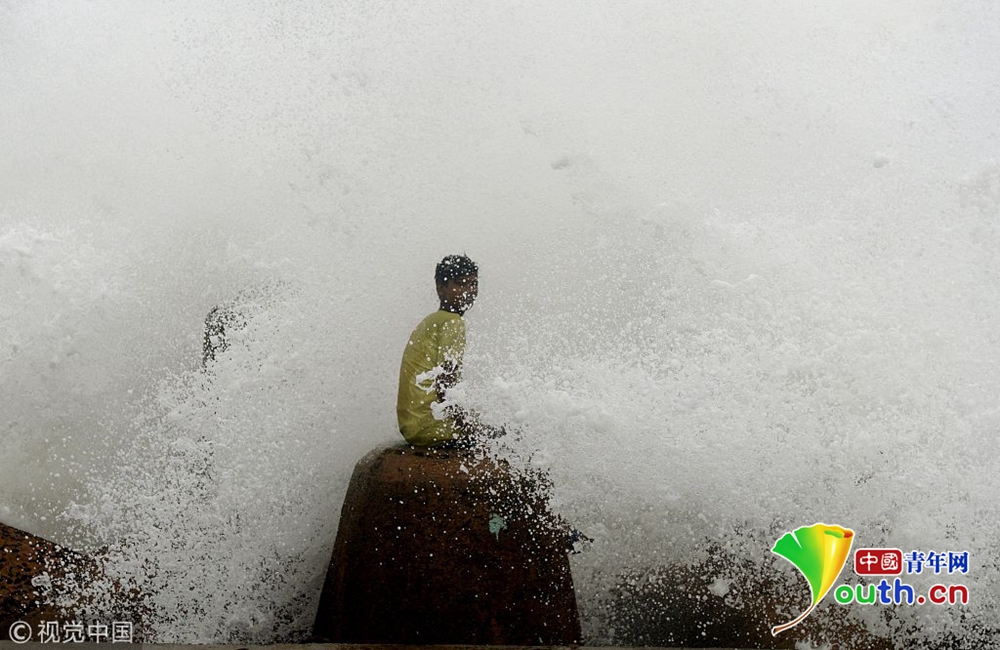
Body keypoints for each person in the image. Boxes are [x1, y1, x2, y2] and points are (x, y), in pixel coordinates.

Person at [396, 255, 481, 447]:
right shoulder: (453, 322)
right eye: (461, 284)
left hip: (412, 426)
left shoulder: (431, 320)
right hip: (432, 427)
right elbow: (446, 380)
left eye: (473, 284)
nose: (469, 291)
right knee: (505, 435)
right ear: (440, 288)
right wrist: (466, 427)